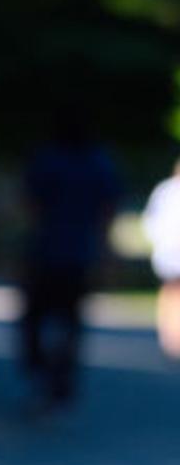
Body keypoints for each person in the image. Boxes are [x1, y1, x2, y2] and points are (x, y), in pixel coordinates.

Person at [16, 115, 122, 409]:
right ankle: (62, 379)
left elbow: (30, 205)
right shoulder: (100, 162)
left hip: (45, 250)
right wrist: (106, 252)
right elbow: (108, 210)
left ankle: (38, 370)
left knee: (34, 316)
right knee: (71, 319)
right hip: (81, 253)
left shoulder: (46, 159)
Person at [143, 158, 180, 359]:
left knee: (171, 292)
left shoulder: (164, 190)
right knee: (171, 291)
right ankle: (171, 334)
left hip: (168, 251)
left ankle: (171, 335)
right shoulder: (166, 191)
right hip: (171, 251)